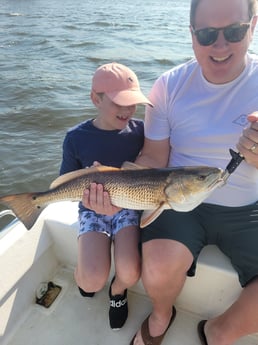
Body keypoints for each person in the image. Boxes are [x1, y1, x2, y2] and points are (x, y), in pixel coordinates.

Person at [83, 0, 258, 344]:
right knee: (158, 266)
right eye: (207, 34)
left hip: (249, 206)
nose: (220, 46)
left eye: (234, 32)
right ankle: (162, 315)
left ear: (253, 26)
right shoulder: (168, 85)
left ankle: (219, 331)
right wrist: (115, 190)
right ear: (191, 35)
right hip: (177, 200)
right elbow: (153, 157)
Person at [60, 62, 153, 331]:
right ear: (95, 99)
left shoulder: (141, 132)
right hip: (92, 208)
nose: (127, 110)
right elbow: (66, 184)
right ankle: (87, 273)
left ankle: (118, 290)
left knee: (130, 272)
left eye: (132, 103)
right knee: (90, 281)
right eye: (118, 103)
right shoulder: (75, 138)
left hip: (129, 206)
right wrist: (85, 186)